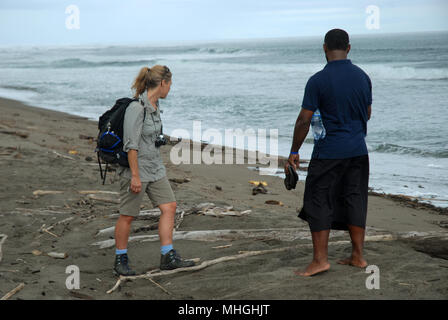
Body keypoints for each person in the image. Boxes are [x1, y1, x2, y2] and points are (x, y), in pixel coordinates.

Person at [285, 29, 372, 277]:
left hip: (329, 152)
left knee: (318, 199)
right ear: (349, 48)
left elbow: (304, 120)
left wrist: (294, 151)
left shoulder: (318, 81)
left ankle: (320, 260)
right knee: (355, 197)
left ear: (324, 48)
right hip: (358, 150)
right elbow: (367, 113)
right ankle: (358, 257)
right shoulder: (363, 77)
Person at [113, 65, 194, 276]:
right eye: (170, 84)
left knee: (170, 206)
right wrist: (136, 177)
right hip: (136, 170)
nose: (170, 89)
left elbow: (151, 139)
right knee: (128, 215)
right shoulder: (136, 108)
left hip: (155, 168)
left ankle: (167, 256)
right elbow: (131, 146)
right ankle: (120, 258)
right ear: (163, 83)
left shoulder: (155, 105)